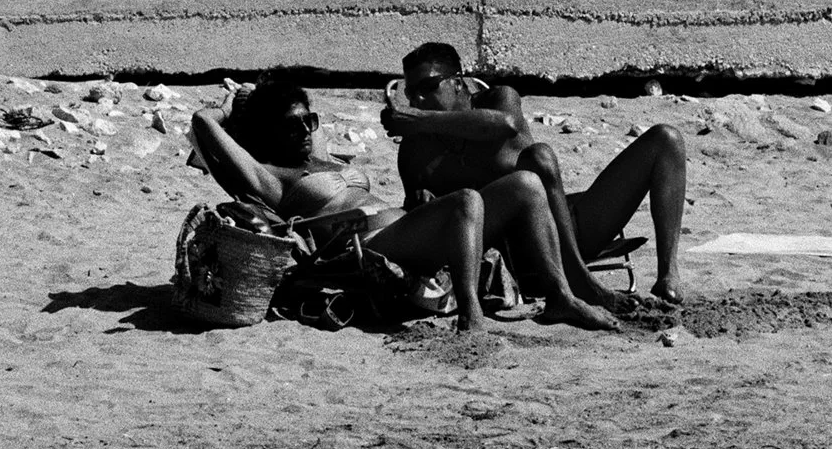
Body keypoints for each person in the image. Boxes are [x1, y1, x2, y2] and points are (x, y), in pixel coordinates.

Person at [188, 74, 617, 333]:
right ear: (268, 135)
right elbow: (204, 127)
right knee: (466, 201)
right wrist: (229, 108)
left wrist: (273, 98)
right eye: (293, 125)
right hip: (369, 245)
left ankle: (562, 296)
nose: (305, 129)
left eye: (310, 120)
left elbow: (295, 114)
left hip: (406, 230)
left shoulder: (321, 156)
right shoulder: (273, 178)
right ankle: (472, 318)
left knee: (525, 182)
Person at [380, 41, 688, 308]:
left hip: (565, 230)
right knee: (538, 159)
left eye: (427, 88)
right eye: (411, 93)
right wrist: (422, 201)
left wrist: (422, 120)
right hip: (509, 255)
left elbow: (505, 125)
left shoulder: (499, 100)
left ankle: (667, 276)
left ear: (458, 83)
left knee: (665, 139)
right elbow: (419, 226)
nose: (417, 100)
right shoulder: (414, 152)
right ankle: (578, 282)